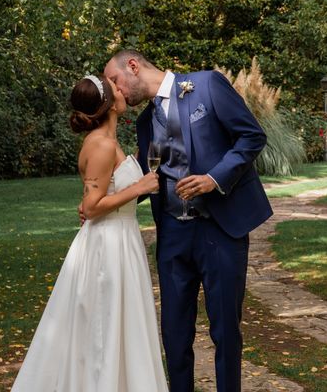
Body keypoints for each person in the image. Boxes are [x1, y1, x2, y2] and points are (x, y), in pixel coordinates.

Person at [104, 50, 273, 392]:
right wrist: (100, 205)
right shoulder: (143, 123)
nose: (116, 92)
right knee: (174, 335)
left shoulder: (207, 85)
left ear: (133, 66)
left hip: (220, 230)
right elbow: (147, 177)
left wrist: (214, 178)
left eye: (116, 81)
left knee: (226, 331)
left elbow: (251, 136)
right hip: (172, 237)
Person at [10, 74, 168, 392]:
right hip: (108, 247)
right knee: (103, 327)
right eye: (116, 89)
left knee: (122, 327)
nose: (123, 90)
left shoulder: (107, 142)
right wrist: (140, 186)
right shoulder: (102, 145)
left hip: (122, 241)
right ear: (110, 106)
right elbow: (93, 206)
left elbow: (97, 197)